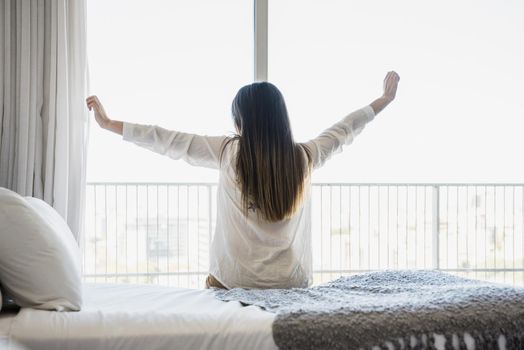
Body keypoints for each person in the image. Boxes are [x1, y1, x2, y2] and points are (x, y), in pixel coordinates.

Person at [86, 71, 400, 290]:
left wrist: (110, 123)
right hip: (291, 285)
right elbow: (346, 129)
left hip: (231, 282)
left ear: (241, 120)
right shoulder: (305, 156)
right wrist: (383, 100)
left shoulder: (227, 152)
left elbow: (167, 140)